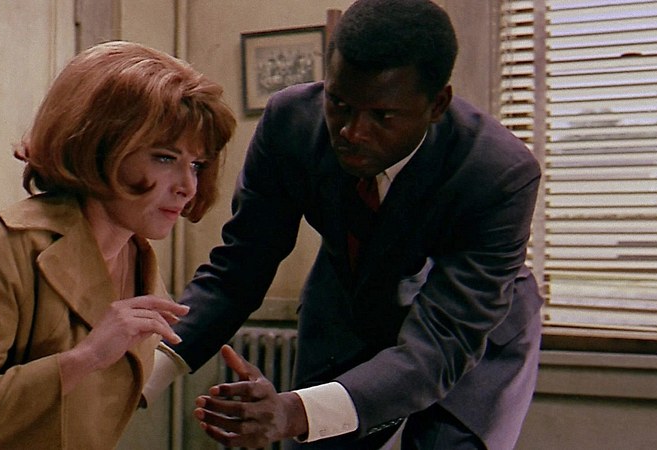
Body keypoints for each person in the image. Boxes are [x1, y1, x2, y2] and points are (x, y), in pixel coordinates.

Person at [142, 0, 544, 449]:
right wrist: (145, 375)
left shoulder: (497, 173)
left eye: (382, 116)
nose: (352, 132)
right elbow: (241, 265)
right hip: (348, 303)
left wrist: (292, 411)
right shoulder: (291, 123)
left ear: (437, 105)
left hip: (467, 331)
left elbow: (439, 347)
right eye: (338, 103)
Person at [0, 40, 236, 449]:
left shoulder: (138, 257)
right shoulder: (4, 248)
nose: (187, 186)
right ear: (101, 146)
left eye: (196, 164)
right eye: (165, 157)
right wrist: (84, 358)